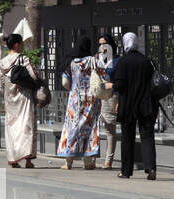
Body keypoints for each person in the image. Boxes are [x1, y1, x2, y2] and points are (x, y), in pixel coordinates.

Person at [112, 32, 159, 180]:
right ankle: (151, 168)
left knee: (127, 138)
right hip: (146, 104)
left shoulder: (123, 62)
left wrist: (111, 85)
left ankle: (126, 171)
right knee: (147, 136)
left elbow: (119, 85)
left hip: (128, 105)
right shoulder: (147, 61)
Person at [58, 36, 102, 169]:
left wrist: (74, 89)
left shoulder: (71, 63)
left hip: (75, 101)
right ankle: (88, 161)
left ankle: (68, 161)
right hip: (91, 100)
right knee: (90, 128)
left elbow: (65, 83)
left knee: (73, 127)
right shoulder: (93, 60)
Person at [0, 34, 38, 168]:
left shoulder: (3, 61)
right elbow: (33, 75)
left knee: (11, 127)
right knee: (26, 126)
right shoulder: (23, 58)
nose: (23, 46)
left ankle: (13, 159)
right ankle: (28, 159)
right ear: (16, 45)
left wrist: (4, 93)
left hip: (9, 98)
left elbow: (2, 82)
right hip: (24, 96)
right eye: (21, 43)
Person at [96, 34, 120, 171]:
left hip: (112, 96)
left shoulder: (117, 61)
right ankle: (98, 159)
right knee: (103, 128)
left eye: (104, 43)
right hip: (98, 96)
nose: (101, 46)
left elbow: (121, 81)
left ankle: (108, 161)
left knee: (110, 129)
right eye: (99, 44)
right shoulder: (97, 60)